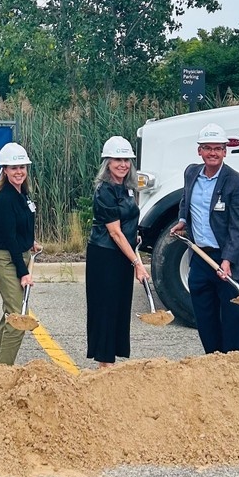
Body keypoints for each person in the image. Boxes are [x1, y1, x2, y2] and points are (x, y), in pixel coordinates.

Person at [170, 123, 239, 354]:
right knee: (204, 315)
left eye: (217, 148)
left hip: (229, 259)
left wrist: (227, 260)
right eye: (207, 148)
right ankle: (212, 360)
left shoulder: (238, 183)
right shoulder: (191, 173)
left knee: (231, 317)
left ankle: (232, 365)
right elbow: (185, 199)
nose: (212, 153)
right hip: (200, 257)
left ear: (225, 151)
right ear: (199, 151)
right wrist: (182, 220)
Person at [86, 136, 148, 368]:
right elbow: (114, 232)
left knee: (120, 306)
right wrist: (138, 264)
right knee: (106, 306)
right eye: (117, 160)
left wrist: (136, 238)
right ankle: (104, 363)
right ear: (107, 163)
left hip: (123, 254)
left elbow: (128, 223)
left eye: (126, 160)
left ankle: (111, 357)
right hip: (105, 255)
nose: (123, 164)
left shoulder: (128, 189)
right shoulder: (104, 192)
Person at [0, 142, 39, 365]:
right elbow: (9, 238)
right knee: (18, 317)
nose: (19, 172)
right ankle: (3, 371)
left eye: (22, 167)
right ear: (5, 170)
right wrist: (23, 272)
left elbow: (21, 227)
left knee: (10, 315)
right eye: (13, 168)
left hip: (20, 255)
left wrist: (30, 242)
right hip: (6, 260)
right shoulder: (4, 198)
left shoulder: (23, 194)